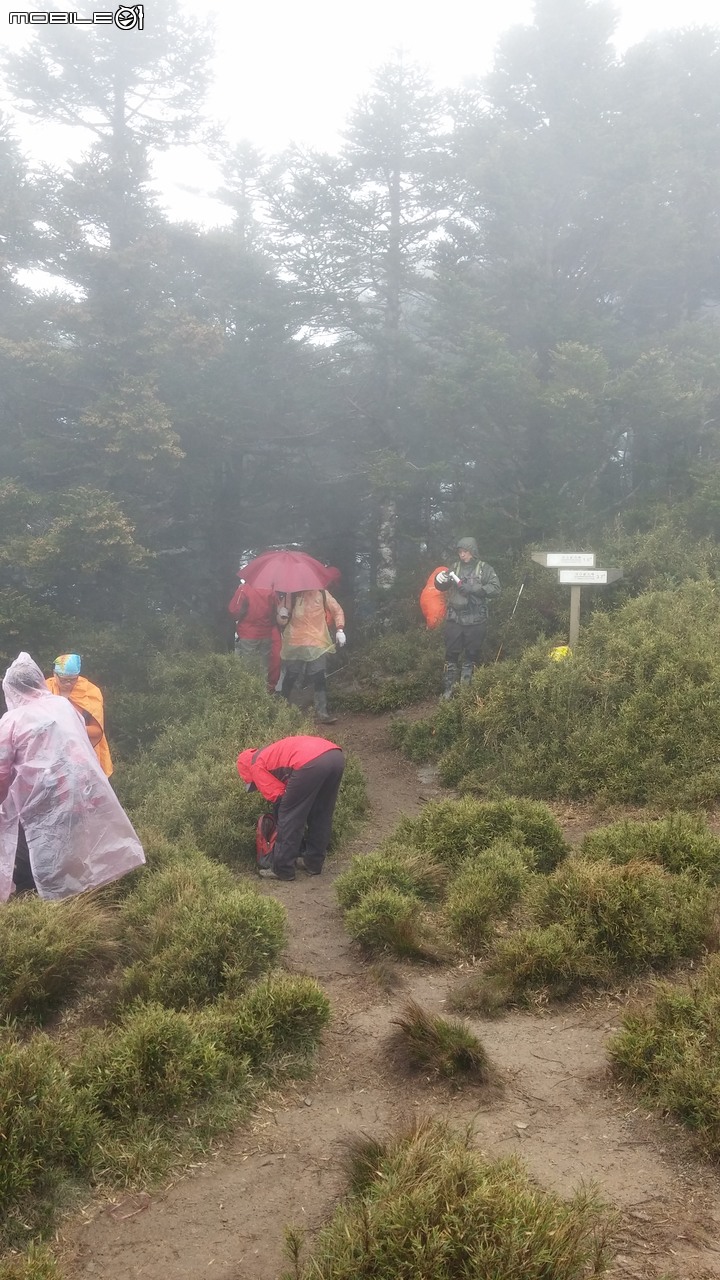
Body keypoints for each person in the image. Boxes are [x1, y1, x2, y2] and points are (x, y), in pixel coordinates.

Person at [0, 652, 145, 901]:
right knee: (70, 849)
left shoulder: (12, 720)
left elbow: (2, 770)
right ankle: (76, 898)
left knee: (31, 855)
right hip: (78, 791)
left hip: (42, 801)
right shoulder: (62, 705)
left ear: (11, 689)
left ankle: (37, 906)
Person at [237, 735, 345, 882]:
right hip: (335, 756)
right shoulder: (270, 753)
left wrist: (283, 816)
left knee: (289, 816)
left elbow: (280, 799)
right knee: (321, 813)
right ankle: (313, 862)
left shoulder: (256, 766)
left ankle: (283, 869)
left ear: (247, 771)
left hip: (310, 763)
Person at [435, 537, 501, 699]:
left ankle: (465, 692)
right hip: (455, 619)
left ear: (473, 551)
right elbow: (442, 586)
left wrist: (473, 588)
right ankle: (448, 691)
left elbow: (496, 589)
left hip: (476, 619)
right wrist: (439, 581)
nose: (462, 555)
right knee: (451, 655)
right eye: (460, 552)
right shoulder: (454, 568)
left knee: (471, 655)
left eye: (465, 552)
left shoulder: (484, 569)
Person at [279, 588, 346, 724]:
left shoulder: (322, 593)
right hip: (296, 642)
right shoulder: (291, 595)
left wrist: (340, 628)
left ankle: (322, 712)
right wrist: (281, 614)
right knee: (291, 676)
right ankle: (283, 710)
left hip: (317, 642)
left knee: (319, 676)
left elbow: (336, 610)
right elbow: (282, 621)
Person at [45, 653, 113, 777]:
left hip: (82, 757)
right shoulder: (46, 689)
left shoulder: (90, 692)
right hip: (51, 757)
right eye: (64, 679)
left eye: (73, 679)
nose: (68, 683)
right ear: (55, 674)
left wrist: (68, 727)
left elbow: (97, 731)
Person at [228, 581, 282, 694]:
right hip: (266, 633)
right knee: (264, 667)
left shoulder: (244, 589)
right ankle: (262, 694)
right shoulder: (270, 590)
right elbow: (276, 610)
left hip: (248, 633)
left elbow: (234, 610)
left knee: (247, 667)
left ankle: (248, 695)